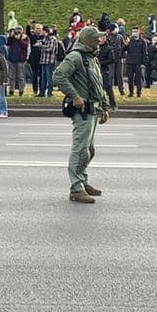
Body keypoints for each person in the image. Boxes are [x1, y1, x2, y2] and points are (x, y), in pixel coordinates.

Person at [54, 26, 109, 204]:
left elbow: (97, 84)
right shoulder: (76, 56)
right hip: (83, 111)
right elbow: (59, 76)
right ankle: (76, 188)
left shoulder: (91, 58)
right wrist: (75, 96)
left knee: (89, 150)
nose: (100, 41)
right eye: (97, 38)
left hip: (93, 109)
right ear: (89, 41)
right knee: (80, 150)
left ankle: (83, 181)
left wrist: (104, 106)